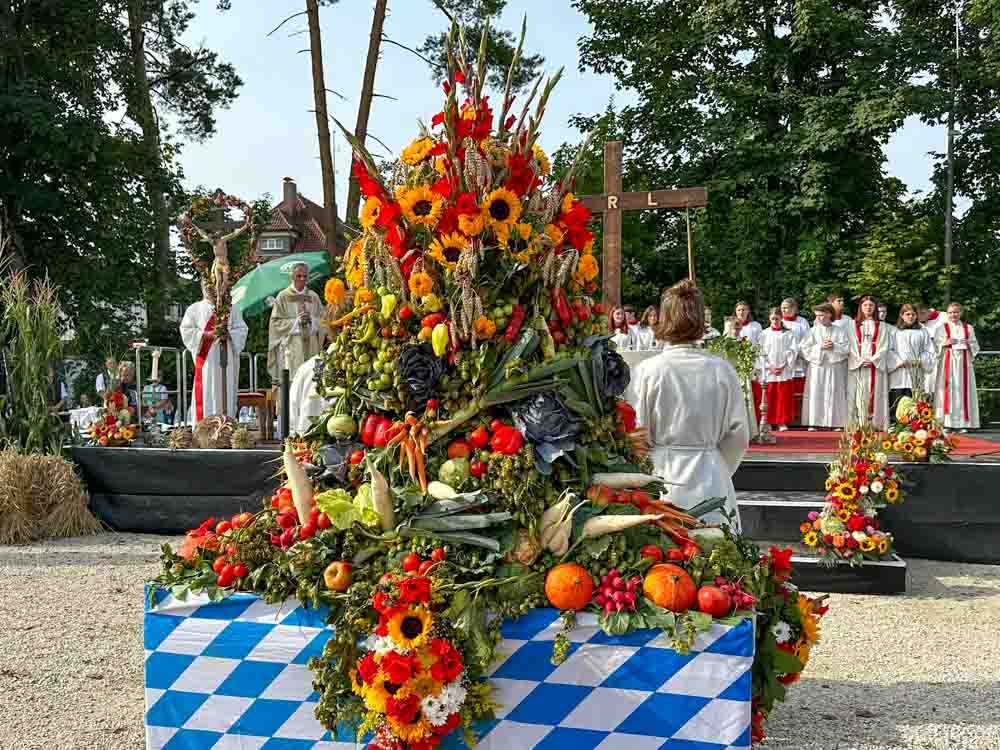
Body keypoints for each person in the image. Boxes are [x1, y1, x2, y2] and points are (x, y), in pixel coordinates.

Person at [631, 280, 749, 527]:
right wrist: (717, 465)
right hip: (710, 478)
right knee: (717, 553)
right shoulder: (722, 370)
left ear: (664, 319)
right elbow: (738, 436)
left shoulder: (649, 371)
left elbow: (637, 432)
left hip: (662, 478)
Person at [180, 279, 249, 422]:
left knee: (227, 393)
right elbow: (186, 331)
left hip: (227, 361)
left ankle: (226, 428)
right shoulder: (194, 309)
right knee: (206, 392)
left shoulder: (232, 309)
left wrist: (228, 333)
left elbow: (242, 330)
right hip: (207, 361)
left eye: (213, 286)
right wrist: (206, 335)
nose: (210, 289)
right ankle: (204, 430)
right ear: (201, 287)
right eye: (207, 286)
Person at [267, 262, 325, 381]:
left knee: (311, 384)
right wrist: (296, 322)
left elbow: (324, 322)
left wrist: (312, 321)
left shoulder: (313, 297)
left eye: (305, 276)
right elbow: (275, 323)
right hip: (292, 348)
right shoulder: (283, 296)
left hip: (312, 349)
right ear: (292, 277)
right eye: (299, 276)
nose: (302, 279)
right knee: (292, 385)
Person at [800, 303, 850, 429]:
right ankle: (814, 422)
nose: (819, 318)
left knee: (835, 392)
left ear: (829, 314)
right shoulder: (812, 331)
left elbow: (847, 349)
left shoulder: (840, 331)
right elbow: (804, 349)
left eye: (822, 315)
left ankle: (836, 423)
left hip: (834, 367)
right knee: (816, 393)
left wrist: (834, 347)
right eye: (817, 315)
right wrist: (819, 347)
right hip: (818, 367)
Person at [933, 302, 980, 430]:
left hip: (964, 365)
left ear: (960, 313)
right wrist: (945, 342)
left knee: (962, 391)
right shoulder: (941, 328)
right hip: (947, 364)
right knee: (947, 390)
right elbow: (934, 346)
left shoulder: (968, 328)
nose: (953, 315)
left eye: (956, 312)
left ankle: (963, 423)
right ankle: (945, 423)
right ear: (947, 314)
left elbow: (975, 346)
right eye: (951, 312)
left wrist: (968, 344)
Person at [847, 294, 891, 429]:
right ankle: (859, 424)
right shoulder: (852, 324)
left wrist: (873, 360)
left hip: (875, 366)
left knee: (876, 393)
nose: (868, 307)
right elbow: (850, 344)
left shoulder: (882, 326)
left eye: (871, 305)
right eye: (865, 305)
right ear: (861, 307)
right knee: (858, 394)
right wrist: (859, 360)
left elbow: (884, 345)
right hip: (858, 365)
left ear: (875, 308)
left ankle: (877, 423)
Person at [888, 303, 934, 412]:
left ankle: (914, 426)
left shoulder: (923, 331)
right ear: (902, 315)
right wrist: (900, 362)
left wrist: (919, 361)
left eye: (913, 314)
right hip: (899, 372)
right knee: (898, 403)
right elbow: (889, 350)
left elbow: (929, 350)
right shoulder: (894, 331)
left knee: (915, 403)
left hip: (916, 371)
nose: (910, 317)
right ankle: (896, 425)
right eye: (907, 314)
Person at [759, 307, 798, 430]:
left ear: (781, 318)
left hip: (784, 370)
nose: (775, 320)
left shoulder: (789, 333)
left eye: (777, 318)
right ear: (769, 319)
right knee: (769, 396)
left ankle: (782, 422)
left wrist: (784, 365)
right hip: (769, 371)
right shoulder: (764, 334)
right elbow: (760, 352)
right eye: (772, 318)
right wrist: (769, 367)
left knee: (782, 397)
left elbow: (793, 350)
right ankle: (768, 421)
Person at [724, 301, 763, 422]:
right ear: (735, 311)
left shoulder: (755, 326)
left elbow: (759, 346)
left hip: (749, 364)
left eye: (744, 309)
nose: (741, 312)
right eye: (739, 310)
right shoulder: (729, 324)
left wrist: (757, 366)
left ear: (748, 311)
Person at [780, 298, 809, 423]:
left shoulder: (802, 322)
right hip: (785, 363)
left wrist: (799, 352)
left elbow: (808, 339)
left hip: (800, 361)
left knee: (801, 393)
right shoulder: (779, 322)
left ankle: (800, 418)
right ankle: (787, 418)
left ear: (794, 309)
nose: (785, 310)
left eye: (787, 307)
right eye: (783, 308)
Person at [289, 354, 333, 434]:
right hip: (337, 433)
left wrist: (293, 431)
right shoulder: (345, 365)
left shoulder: (306, 367)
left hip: (305, 432)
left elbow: (293, 402)